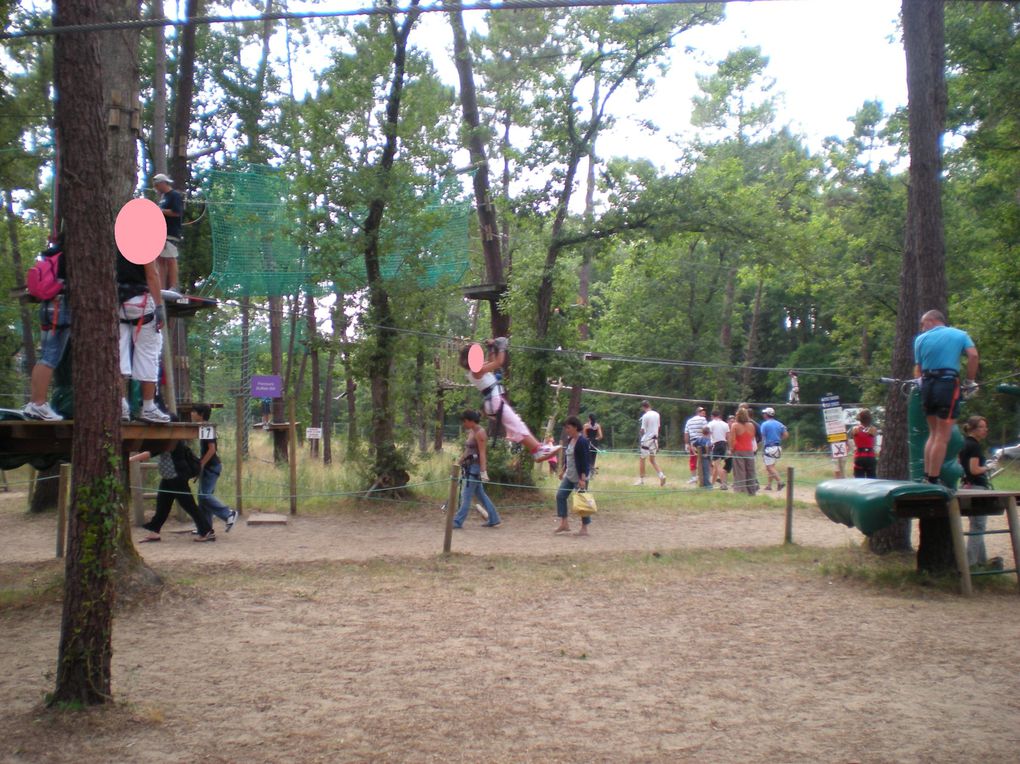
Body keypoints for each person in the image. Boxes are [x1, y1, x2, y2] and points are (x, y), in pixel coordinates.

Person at [458, 338, 560, 462]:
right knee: (517, 425)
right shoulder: (476, 371)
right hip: (494, 401)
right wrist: (501, 347)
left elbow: (491, 362)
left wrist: (491, 348)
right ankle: (538, 450)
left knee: (516, 425)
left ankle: (536, 450)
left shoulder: (475, 370)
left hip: (493, 402)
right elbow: (498, 362)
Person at [913, 309, 979, 485]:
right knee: (943, 436)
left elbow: (918, 369)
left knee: (933, 433)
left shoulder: (920, 340)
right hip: (947, 384)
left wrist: (920, 382)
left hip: (926, 385)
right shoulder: (960, 334)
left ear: (932, 320)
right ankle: (933, 479)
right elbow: (973, 355)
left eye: (923, 323)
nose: (922, 327)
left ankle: (927, 476)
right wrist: (970, 381)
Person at [117, 249, 169, 422]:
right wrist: (159, 306)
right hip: (140, 301)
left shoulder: (110, 239)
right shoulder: (142, 241)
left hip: (117, 301)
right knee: (148, 353)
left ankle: (121, 405)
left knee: (119, 354)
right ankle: (148, 406)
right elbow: (152, 274)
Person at [23, 237, 69, 421]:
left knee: (46, 357)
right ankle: (39, 404)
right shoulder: (69, 257)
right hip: (60, 309)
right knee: (50, 358)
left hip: (47, 306)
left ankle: (36, 403)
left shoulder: (52, 254)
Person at [133, 439, 215, 542]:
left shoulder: (170, 440)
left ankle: (206, 531)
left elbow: (150, 453)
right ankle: (154, 532)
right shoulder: (167, 439)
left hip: (177, 477)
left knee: (189, 505)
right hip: (168, 477)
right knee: (162, 505)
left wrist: (131, 459)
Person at [958, 416, 999, 568]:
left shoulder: (963, 444)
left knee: (976, 524)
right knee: (978, 526)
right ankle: (970, 563)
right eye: (982, 427)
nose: (985, 429)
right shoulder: (974, 446)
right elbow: (974, 470)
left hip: (966, 486)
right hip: (976, 487)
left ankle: (981, 561)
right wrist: (988, 467)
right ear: (974, 429)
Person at [191, 404, 238, 532]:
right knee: (202, 498)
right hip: (208, 467)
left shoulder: (207, 427)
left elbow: (212, 450)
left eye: (193, 411)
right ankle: (205, 527)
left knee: (205, 496)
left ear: (200, 414)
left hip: (211, 467)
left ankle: (228, 514)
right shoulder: (203, 427)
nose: (191, 413)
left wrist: (201, 464)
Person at [452, 410, 501, 529]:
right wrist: (459, 462)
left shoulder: (480, 433)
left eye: (465, 421)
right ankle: (494, 518)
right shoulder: (472, 431)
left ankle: (457, 521)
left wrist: (483, 471)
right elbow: (468, 450)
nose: (463, 424)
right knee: (481, 494)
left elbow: (483, 453)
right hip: (469, 466)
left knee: (466, 495)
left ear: (470, 421)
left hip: (475, 468)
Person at [554, 416, 592, 536]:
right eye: (566, 428)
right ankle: (564, 523)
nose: (567, 430)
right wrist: (563, 470)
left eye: (568, 427)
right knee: (560, 496)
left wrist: (582, 478)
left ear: (575, 427)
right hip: (569, 475)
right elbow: (569, 457)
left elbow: (585, 461)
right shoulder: (570, 439)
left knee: (582, 502)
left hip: (579, 477)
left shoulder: (583, 441)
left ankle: (584, 528)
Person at [153, 173, 183, 292]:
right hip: (162, 232)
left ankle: (174, 286)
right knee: (160, 259)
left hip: (171, 232)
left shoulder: (174, 195)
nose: (156, 188)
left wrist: (160, 211)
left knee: (171, 258)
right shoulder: (164, 197)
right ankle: (161, 287)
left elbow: (176, 212)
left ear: (162, 183)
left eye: (156, 185)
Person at [635, 400, 666, 486]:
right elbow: (658, 426)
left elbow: (643, 429)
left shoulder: (645, 416)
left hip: (647, 440)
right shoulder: (657, 414)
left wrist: (641, 433)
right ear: (649, 405)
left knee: (642, 458)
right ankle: (661, 475)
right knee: (652, 460)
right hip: (655, 440)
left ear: (643, 407)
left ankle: (641, 480)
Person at [728, 407, 758, 495]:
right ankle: (752, 491)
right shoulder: (751, 425)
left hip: (738, 450)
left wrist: (731, 449)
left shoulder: (735, 425)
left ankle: (741, 491)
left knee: (740, 471)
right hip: (749, 450)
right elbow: (752, 437)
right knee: (751, 471)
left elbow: (732, 440)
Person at [760, 407, 788, 491]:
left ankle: (780, 482)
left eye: (764, 413)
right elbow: (786, 435)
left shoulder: (764, 424)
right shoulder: (779, 424)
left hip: (769, 447)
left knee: (769, 467)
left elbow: (763, 437)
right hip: (778, 447)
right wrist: (778, 439)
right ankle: (769, 485)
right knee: (772, 466)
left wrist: (762, 448)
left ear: (766, 415)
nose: (763, 415)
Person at [850, 409, 878, 479]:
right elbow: (874, 443)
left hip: (859, 456)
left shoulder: (855, 429)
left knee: (859, 480)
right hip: (870, 456)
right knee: (872, 480)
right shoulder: (873, 429)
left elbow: (853, 441)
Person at [683, 405, 708, 484]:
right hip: (701, 441)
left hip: (693, 442)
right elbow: (706, 430)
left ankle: (694, 477)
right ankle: (703, 477)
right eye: (702, 412)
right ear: (698, 413)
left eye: (704, 412)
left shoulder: (689, 421)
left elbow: (686, 433)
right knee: (704, 459)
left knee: (693, 459)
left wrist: (687, 443)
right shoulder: (703, 419)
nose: (704, 414)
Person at [707, 409, 730, 490]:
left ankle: (724, 483)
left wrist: (708, 445)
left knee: (717, 465)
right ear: (719, 416)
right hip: (724, 444)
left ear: (712, 416)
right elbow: (728, 436)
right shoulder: (725, 424)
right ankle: (711, 484)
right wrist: (728, 447)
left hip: (716, 444)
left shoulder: (711, 424)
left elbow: (708, 435)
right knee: (717, 465)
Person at [582, 413, 603, 478]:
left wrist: (588, 439)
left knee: (587, 458)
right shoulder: (597, 426)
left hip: (588, 442)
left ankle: (589, 472)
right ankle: (592, 473)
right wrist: (595, 439)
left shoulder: (586, 425)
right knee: (593, 458)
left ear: (589, 418)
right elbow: (601, 436)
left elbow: (584, 436)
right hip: (595, 443)